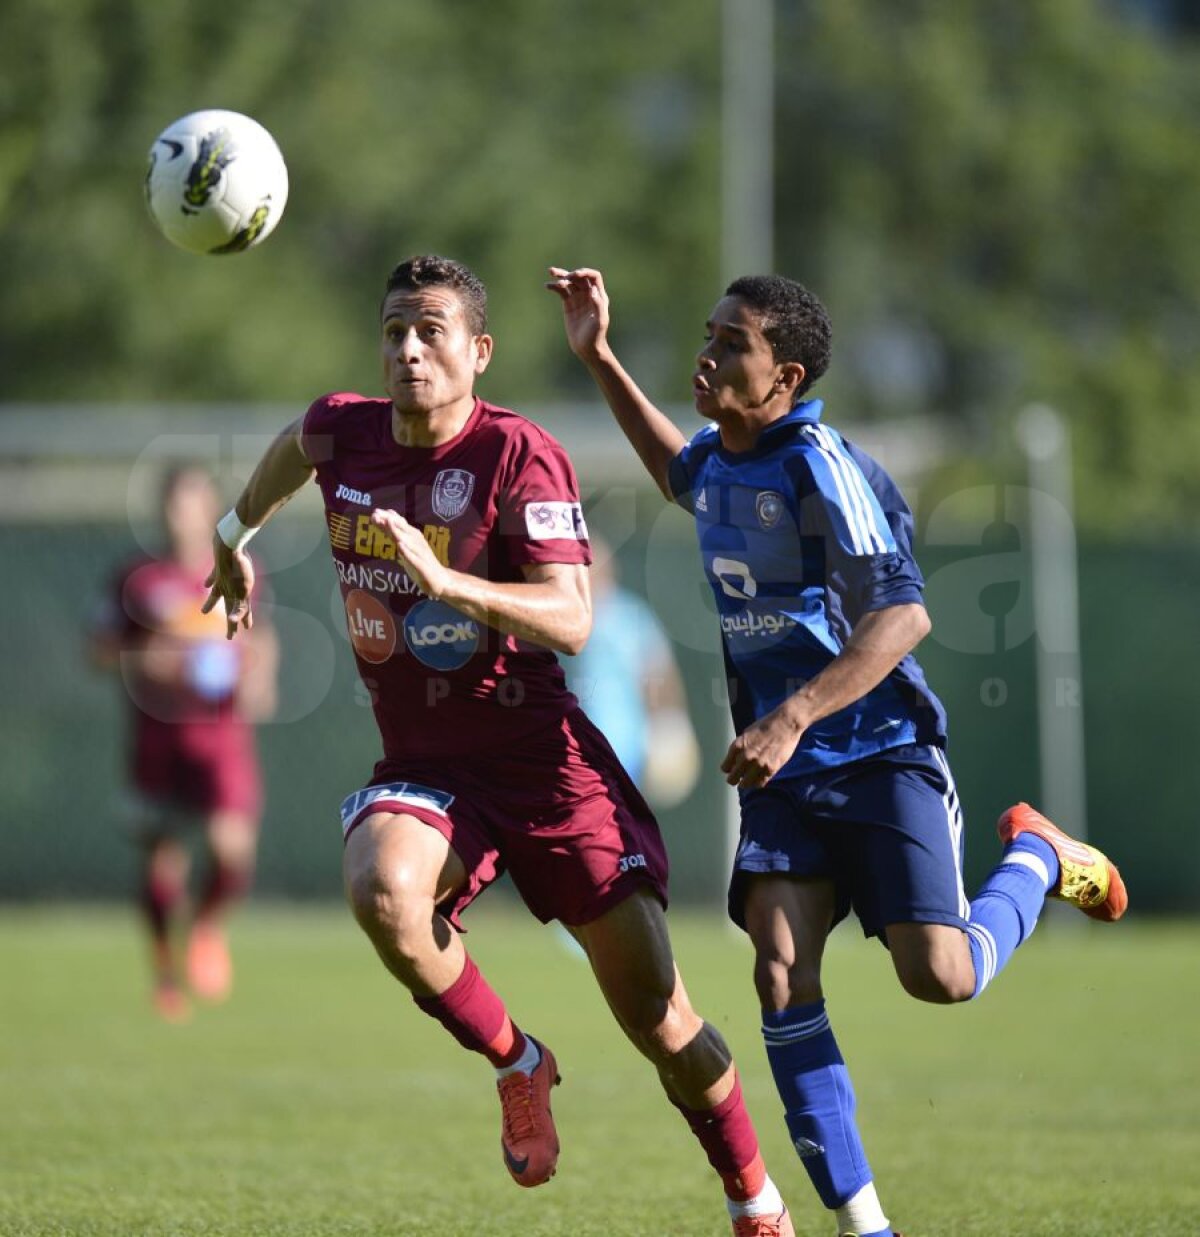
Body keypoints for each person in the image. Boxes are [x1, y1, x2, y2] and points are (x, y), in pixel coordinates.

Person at [202, 255, 796, 1236]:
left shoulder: (519, 454)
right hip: (431, 770)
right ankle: (520, 1061)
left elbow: (571, 618)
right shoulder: (343, 429)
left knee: (663, 1022)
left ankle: (753, 1193)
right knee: (383, 888)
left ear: (478, 351)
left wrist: (446, 580)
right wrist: (233, 532)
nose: (408, 348)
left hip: (546, 770)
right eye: (395, 329)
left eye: (431, 329)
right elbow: (294, 448)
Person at [548, 265, 1128, 1237]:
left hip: (878, 747)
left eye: (735, 344)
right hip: (783, 772)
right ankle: (868, 1226)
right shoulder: (722, 458)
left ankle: (1037, 856)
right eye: (711, 333)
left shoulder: (817, 461)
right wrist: (598, 355)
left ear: (788, 376)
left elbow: (904, 615)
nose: (711, 353)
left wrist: (791, 716)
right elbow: (673, 468)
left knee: (939, 976)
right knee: (777, 972)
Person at [88, 463, 278, 1021]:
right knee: (162, 857)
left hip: (221, 738)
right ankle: (166, 973)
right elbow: (99, 649)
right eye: (173, 502)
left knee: (231, 850)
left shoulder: (243, 570)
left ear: (212, 508)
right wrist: (154, 660)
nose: (181, 514)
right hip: (158, 737)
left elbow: (260, 638)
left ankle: (205, 927)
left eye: (193, 502)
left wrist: (259, 679)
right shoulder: (136, 580)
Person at [560, 532, 700, 807]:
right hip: (573, 743)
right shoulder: (567, 615)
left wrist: (668, 725)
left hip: (623, 743)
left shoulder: (629, 614)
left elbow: (659, 675)